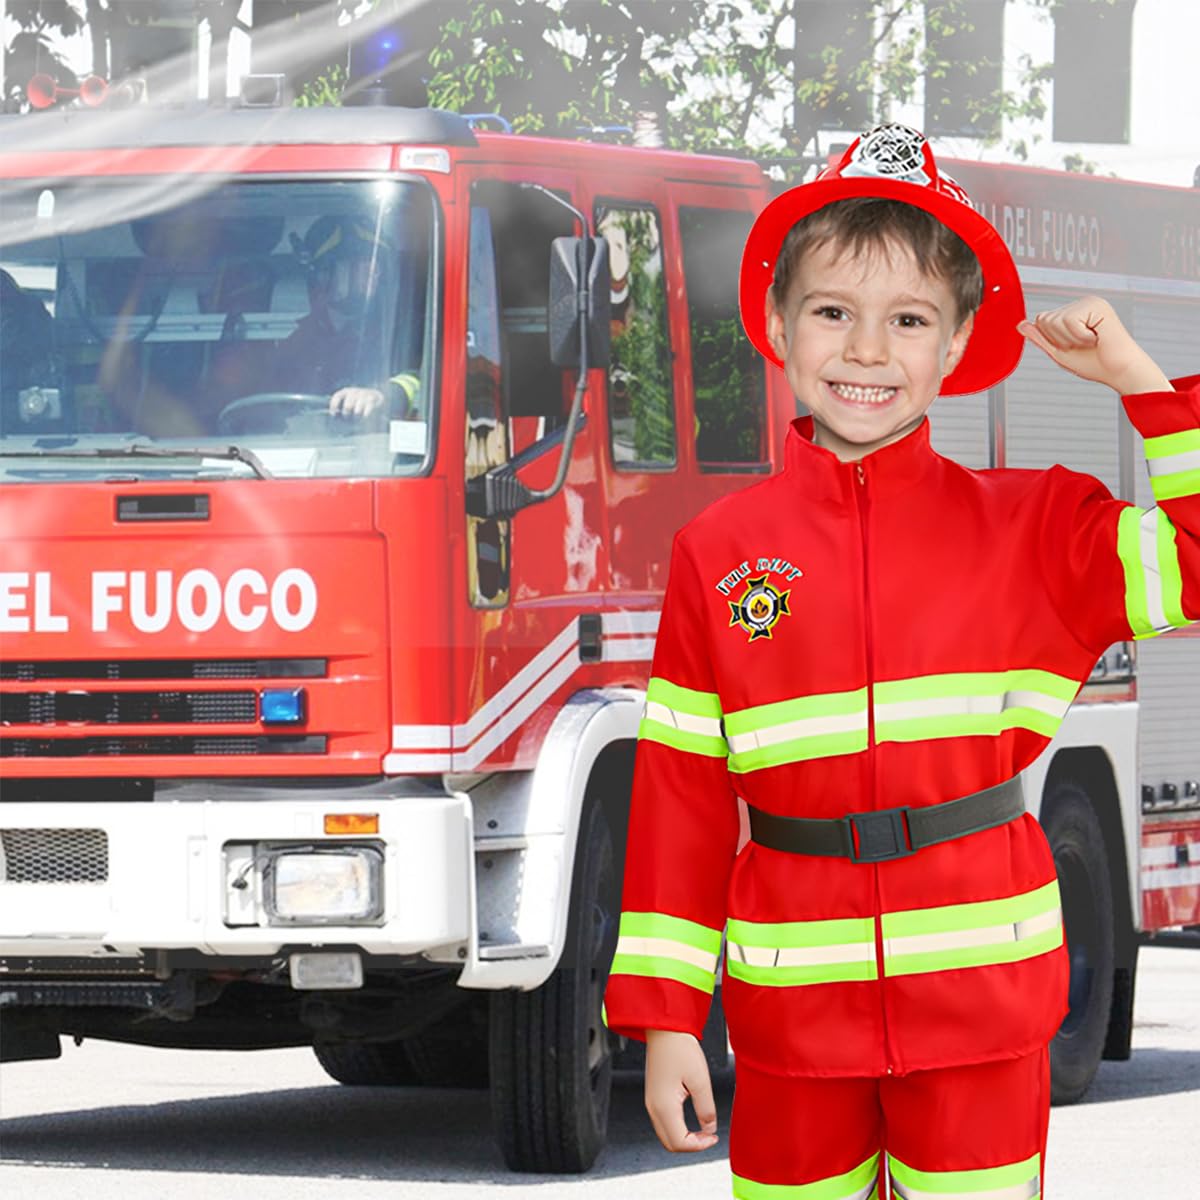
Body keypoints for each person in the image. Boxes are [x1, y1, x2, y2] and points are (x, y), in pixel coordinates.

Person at [601, 123, 1197, 1198]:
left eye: (909, 321)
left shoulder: (1034, 528)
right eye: (833, 312)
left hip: (982, 1006)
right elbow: (681, 799)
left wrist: (1135, 377)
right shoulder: (718, 552)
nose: (868, 351)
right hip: (791, 1018)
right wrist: (666, 1020)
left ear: (958, 344)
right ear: (779, 325)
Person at [281, 214, 420, 421]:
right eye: (359, 264)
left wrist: (383, 395)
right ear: (324, 275)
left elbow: (425, 379)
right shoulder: (297, 344)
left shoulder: (397, 331)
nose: (373, 273)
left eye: (376, 265)